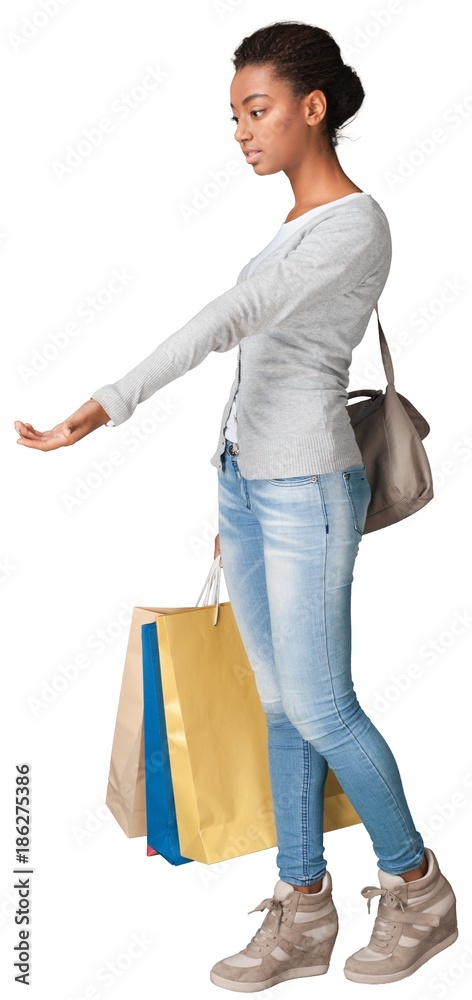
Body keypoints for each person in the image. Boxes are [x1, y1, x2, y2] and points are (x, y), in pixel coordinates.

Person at [14, 19, 457, 993]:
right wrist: (231, 491)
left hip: (307, 489)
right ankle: (303, 910)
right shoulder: (295, 227)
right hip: (252, 489)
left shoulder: (353, 222)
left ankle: (417, 887)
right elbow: (263, 362)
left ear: (313, 107)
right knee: (277, 709)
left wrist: (107, 400)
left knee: (323, 705)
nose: (242, 131)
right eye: (232, 116)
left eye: (257, 110)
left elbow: (233, 322)